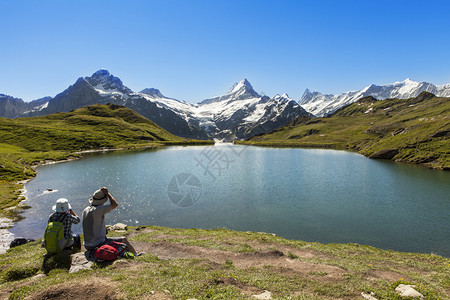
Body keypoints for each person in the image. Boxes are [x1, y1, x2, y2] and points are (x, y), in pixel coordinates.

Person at [82, 187, 140, 256]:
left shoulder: (86, 210)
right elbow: (115, 204)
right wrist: (108, 193)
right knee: (124, 240)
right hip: (97, 244)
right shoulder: (99, 210)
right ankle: (135, 255)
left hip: (87, 245)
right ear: (103, 200)